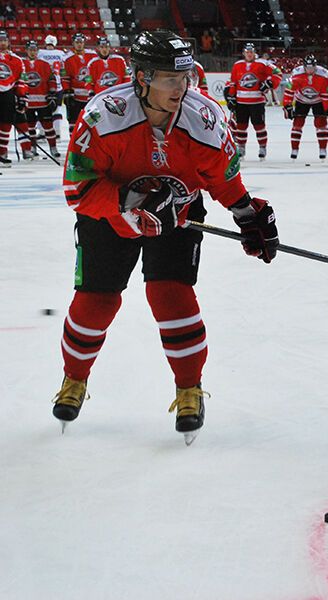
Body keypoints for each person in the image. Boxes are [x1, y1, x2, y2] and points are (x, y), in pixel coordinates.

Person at [52, 30, 279, 445]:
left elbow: (221, 178)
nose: (181, 88)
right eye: (169, 79)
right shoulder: (104, 116)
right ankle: (74, 379)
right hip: (109, 218)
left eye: (185, 77)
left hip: (179, 216)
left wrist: (248, 214)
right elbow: (77, 190)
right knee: (94, 302)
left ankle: (189, 389)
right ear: (141, 77)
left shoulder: (204, 119)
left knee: (170, 296)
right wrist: (130, 200)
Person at [224, 42, 282, 160]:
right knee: (241, 127)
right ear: (243, 53)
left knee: (259, 126)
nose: (249, 54)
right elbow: (233, 83)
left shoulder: (262, 63)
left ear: (254, 53)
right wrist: (231, 97)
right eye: (247, 52)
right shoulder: (237, 65)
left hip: (257, 102)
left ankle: (262, 147)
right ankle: (241, 148)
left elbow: (277, 73)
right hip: (241, 103)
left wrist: (270, 83)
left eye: (251, 52)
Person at [282, 54, 328, 160]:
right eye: (308, 67)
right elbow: (289, 91)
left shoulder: (324, 75)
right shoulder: (296, 74)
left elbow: (326, 94)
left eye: (312, 68)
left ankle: (323, 149)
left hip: (318, 100)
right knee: (297, 124)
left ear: (315, 66)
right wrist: (288, 106)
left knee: (321, 124)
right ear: (304, 66)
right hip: (301, 100)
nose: (310, 70)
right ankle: (294, 149)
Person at [22, 39, 60, 158]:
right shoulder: (22, 64)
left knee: (48, 126)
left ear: (37, 51)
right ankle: (32, 147)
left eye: (34, 50)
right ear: (26, 51)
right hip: (28, 102)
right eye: (30, 50)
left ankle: (53, 148)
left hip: (43, 101)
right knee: (30, 127)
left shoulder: (44, 64)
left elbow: (51, 79)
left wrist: (52, 93)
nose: (32, 52)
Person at [0, 29, 29, 166]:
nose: (2, 43)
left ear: (8, 42)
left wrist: (22, 97)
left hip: (8, 94)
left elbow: (21, 81)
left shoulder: (17, 60)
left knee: (6, 124)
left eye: (4, 40)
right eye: (0, 40)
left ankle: (2, 152)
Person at [61, 33, 97, 129]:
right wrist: (67, 92)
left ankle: (92, 143)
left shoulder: (93, 55)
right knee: (74, 123)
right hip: (76, 98)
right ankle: (74, 143)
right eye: (77, 42)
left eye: (81, 42)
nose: (79, 44)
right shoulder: (66, 58)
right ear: (73, 43)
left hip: (91, 97)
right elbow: (65, 78)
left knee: (93, 123)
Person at [38, 35, 67, 140]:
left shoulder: (40, 53)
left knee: (42, 109)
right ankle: (57, 132)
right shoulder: (61, 54)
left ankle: (42, 132)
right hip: (58, 85)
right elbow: (64, 70)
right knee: (57, 110)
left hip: (44, 85)